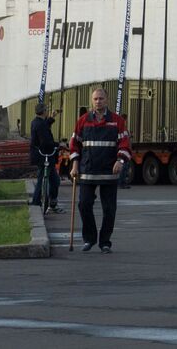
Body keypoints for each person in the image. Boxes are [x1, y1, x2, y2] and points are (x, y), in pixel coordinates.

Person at [69, 87, 131, 253]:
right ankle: (90, 239)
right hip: (87, 171)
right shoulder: (83, 120)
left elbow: (125, 144)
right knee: (83, 204)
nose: (98, 102)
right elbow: (74, 145)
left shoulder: (117, 121)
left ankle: (105, 242)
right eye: (95, 99)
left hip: (109, 172)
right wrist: (75, 164)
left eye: (101, 99)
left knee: (109, 209)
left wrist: (120, 160)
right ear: (91, 100)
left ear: (107, 100)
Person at [28, 103, 62, 213]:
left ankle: (38, 201)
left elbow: (45, 125)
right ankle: (43, 202)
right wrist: (58, 145)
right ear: (43, 111)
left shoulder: (36, 122)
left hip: (40, 155)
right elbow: (46, 142)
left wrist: (52, 118)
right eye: (47, 110)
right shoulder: (40, 124)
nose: (48, 111)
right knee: (53, 180)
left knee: (45, 178)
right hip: (45, 156)